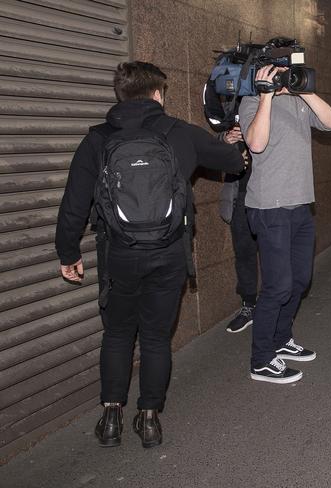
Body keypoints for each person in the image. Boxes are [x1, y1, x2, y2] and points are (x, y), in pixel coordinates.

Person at [55, 61, 243, 448]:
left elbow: (73, 203)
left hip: (118, 255)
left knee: (119, 333)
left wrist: (68, 251)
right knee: (156, 338)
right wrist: (230, 144)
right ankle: (150, 419)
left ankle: (110, 419)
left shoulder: (97, 139)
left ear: (120, 95)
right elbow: (234, 163)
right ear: (159, 94)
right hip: (169, 253)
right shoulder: (180, 132)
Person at [238, 53, 331, 384]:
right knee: (277, 286)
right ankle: (261, 359)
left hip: (301, 206)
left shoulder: (299, 103)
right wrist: (266, 94)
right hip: (270, 207)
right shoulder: (251, 101)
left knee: (300, 281)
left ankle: (281, 342)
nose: (283, 78)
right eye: (277, 72)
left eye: (287, 73)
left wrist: (305, 89)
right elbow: (256, 142)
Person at [216, 122, 259, 333]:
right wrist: (227, 139)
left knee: (275, 251)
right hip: (240, 193)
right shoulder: (232, 103)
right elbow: (211, 143)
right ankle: (249, 305)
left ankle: (274, 305)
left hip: (271, 193)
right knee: (244, 252)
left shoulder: (274, 100)